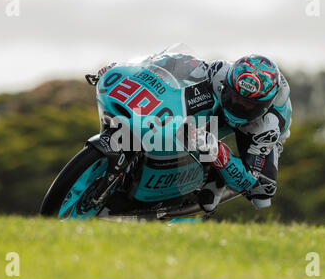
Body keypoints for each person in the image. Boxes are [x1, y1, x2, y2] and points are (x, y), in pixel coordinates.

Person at [97, 53, 292, 213]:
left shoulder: (269, 125)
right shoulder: (219, 72)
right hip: (219, 105)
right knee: (186, 122)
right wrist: (123, 68)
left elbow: (249, 181)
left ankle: (217, 178)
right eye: (233, 97)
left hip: (254, 129)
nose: (237, 106)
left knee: (262, 194)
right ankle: (160, 161)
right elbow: (167, 61)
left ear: (263, 106)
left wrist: (217, 151)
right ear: (227, 84)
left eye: (247, 105)